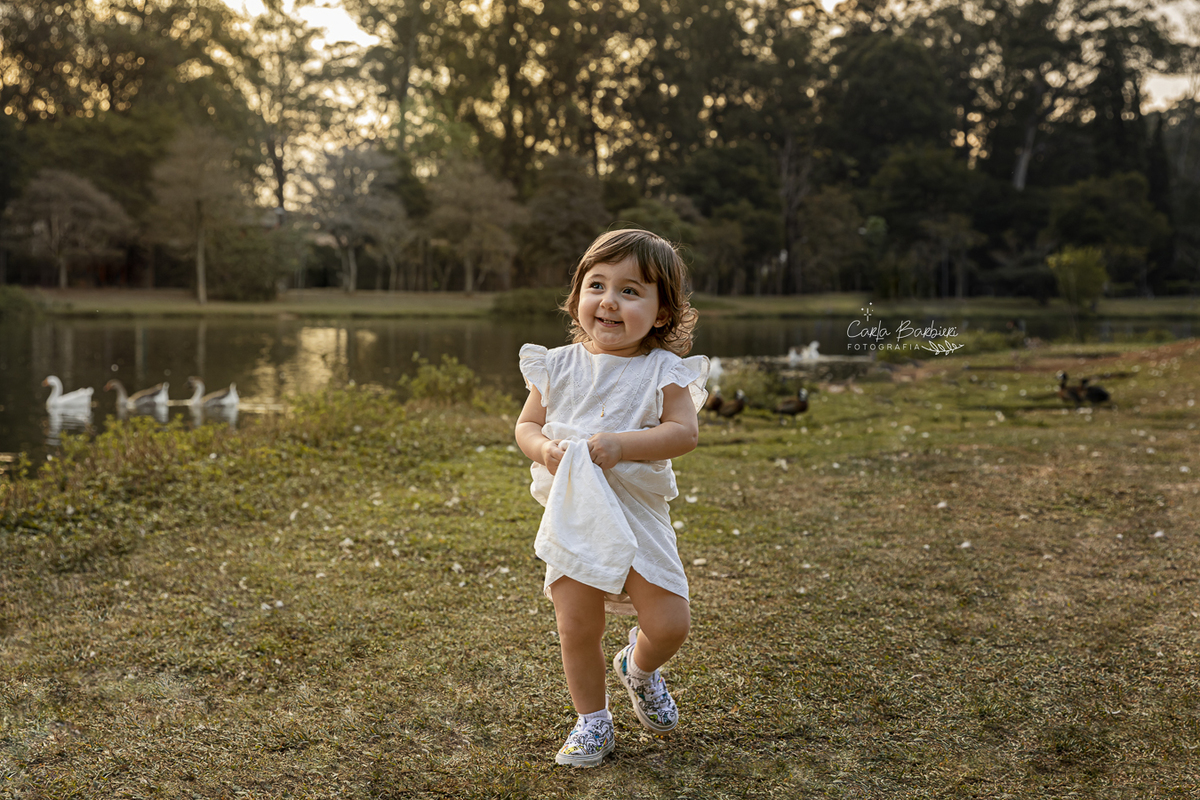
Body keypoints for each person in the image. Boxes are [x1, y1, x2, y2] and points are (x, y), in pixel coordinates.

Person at [514, 228, 709, 767]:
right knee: (576, 623)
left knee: (670, 622)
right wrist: (545, 449)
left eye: (631, 290)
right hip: (575, 510)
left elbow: (683, 433)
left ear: (663, 312)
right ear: (577, 296)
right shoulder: (555, 364)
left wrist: (623, 445)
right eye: (596, 285)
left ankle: (639, 667)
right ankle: (592, 720)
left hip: (637, 512)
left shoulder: (663, 371)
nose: (609, 301)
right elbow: (526, 426)